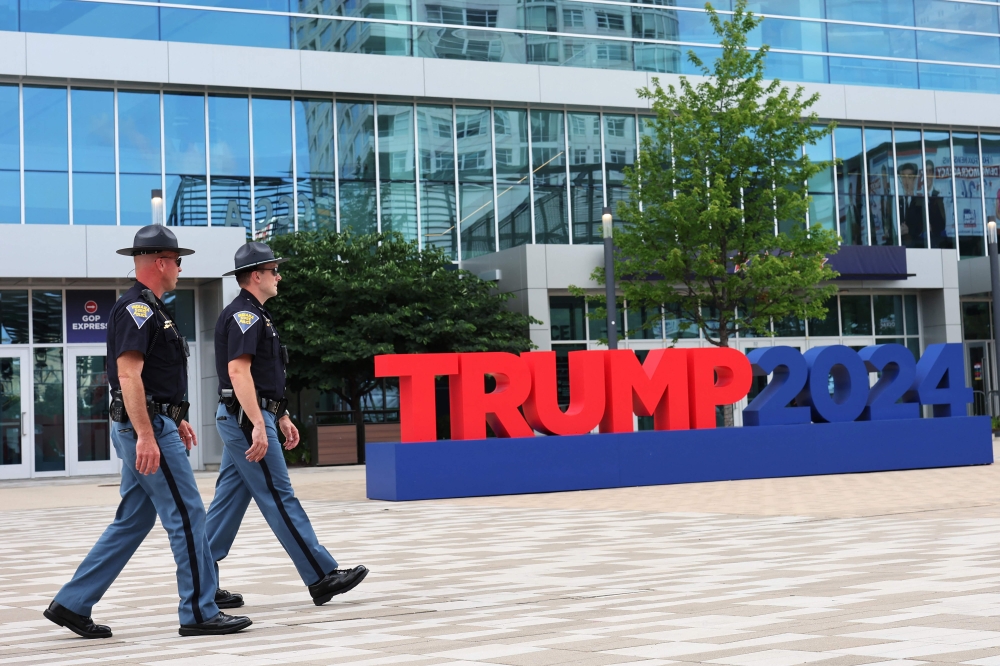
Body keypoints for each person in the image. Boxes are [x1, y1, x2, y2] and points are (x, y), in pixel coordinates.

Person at [45, 225, 253, 639]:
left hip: (154, 423)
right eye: (178, 261)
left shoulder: (152, 309)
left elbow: (152, 379)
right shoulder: (137, 310)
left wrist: (174, 416)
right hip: (147, 430)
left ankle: (71, 603)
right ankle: (198, 610)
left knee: (132, 521)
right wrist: (147, 433)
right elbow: (128, 373)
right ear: (160, 262)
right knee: (189, 513)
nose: (179, 268)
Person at [205, 242, 368, 609]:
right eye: (274, 270)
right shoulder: (244, 315)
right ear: (256, 275)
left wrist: (280, 415)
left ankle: (201, 582)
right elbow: (238, 371)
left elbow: (263, 376)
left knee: (228, 503)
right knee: (279, 495)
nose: (279, 276)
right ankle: (320, 575)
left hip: (250, 415)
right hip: (245, 417)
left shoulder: (256, 315)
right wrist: (257, 423)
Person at [898, 162, 925, 248]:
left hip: (916, 245)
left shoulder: (920, 201)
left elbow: (922, 225)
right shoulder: (898, 201)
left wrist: (909, 230)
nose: (906, 181)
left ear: (914, 179)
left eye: (909, 177)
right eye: (904, 177)